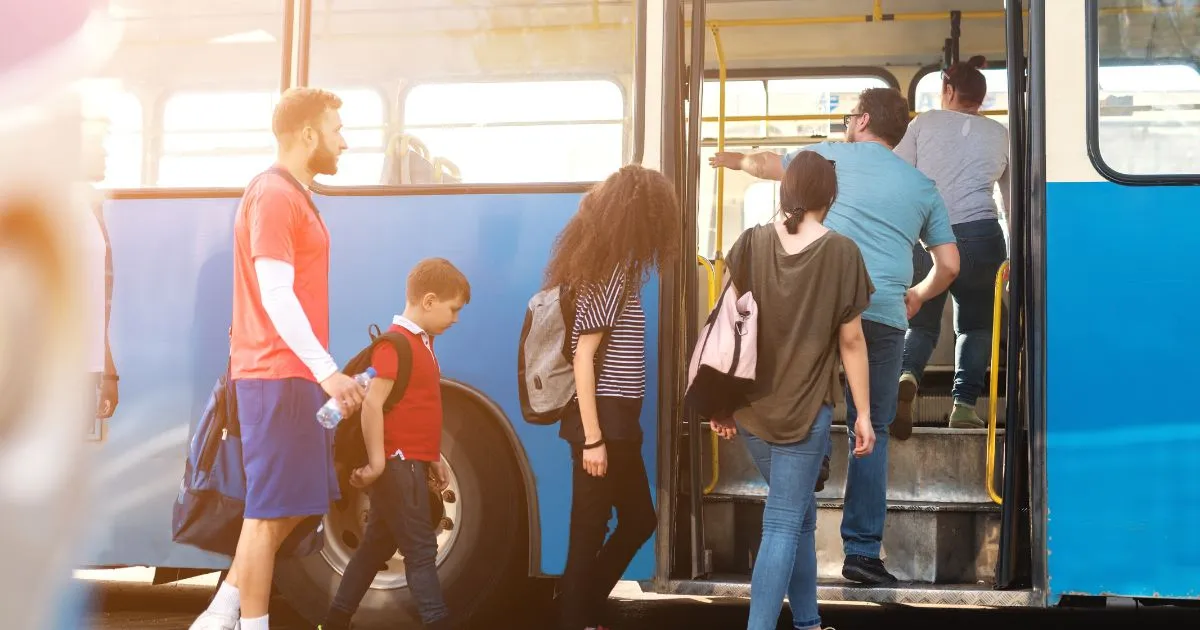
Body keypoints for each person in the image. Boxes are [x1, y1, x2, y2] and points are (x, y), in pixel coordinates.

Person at [709, 87, 960, 585]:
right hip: (884, 313)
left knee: (809, 405)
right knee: (875, 429)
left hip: (817, 308)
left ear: (862, 120)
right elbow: (950, 264)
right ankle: (863, 554)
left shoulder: (825, 158)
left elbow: (764, 164)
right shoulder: (922, 185)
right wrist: (916, 295)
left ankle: (815, 462)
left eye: (850, 115)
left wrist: (730, 158)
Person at [190, 87, 365, 630]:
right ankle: (247, 623)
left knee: (295, 503)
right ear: (308, 134)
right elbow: (276, 293)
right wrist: (328, 371)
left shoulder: (293, 194)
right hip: (276, 376)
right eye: (337, 129)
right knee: (268, 514)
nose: (344, 141)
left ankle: (221, 613)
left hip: (288, 377)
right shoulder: (273, 194)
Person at [710, 152, 875, 630]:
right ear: (830, 196)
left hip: (751, 412)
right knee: (783, 520)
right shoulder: (843, 252)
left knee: (799, 513)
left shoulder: (750, 243)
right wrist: (863, 413)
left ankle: (808, 622)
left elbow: (727, 325)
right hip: (804, 415)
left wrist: (721, 401)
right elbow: (851, 341)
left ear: (786, 191)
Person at [547, 165, 680, 630]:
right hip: (602, 420)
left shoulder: (616, 266)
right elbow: (584, 357)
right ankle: (574, 615)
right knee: (591, 526)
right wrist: (593, 438)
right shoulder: (610, 272)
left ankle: (577, 607)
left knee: (633, 520)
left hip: (617, 419)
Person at [321, 258, 470, 630]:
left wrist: (433, 456)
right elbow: (372, 406)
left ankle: (335, 620)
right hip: (396, 462)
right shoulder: (396, 345)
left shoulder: (422, 343)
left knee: (374, 549)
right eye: (453, 310)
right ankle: (437, 621)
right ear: (429, 301)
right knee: (421, 549)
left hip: (410, 461)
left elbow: (419, 409)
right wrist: (377, 463)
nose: (456, 319)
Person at [892, 56, 1010, 435]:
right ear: (981, 98)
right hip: (982, 236)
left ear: (947, 90)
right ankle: (963, 406)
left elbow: (897, 175)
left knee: (922, 322)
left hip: (928, 235)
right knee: (976, 327)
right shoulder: (1000, 134)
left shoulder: (923, 123)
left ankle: (907, 376)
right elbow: (1011, 200)